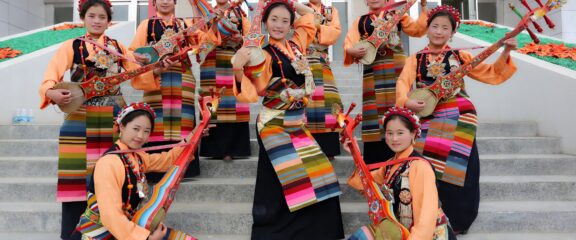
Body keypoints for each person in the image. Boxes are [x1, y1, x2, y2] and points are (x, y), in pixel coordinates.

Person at [395, 5, 517, 234]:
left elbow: (490, 72)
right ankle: (425, 215)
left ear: (452, 33)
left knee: (459, 165)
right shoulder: (415, 59)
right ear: (427, 29)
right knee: (422, 161)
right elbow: (403, 84)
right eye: (434, 26)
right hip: (427, 114)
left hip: (460, 115)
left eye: (444, 28)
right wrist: (406, 102)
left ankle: (458, 220)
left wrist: (506, 52)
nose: (439, 32)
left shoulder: (461, 56)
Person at [38, 1, 153, 238]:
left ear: (109, 21)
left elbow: (139, 74)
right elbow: (51, 75)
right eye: (92, 16)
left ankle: (112, 230)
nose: (97, 20)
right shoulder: (72, 45)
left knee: (113, 174)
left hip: (113, 118)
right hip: (79, 118)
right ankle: (74, 234)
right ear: (83, 18)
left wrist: (155, 66)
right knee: (76, 179)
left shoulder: (118, 47)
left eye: (102, 16)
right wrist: (51, 92)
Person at [232, 1, 344, 239]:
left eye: (285, 21)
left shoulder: (296, 44)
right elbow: (258, 90)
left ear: (292, 24)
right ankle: (272, 232)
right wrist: (238, 70)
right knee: (280, 179)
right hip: (273, 122)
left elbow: (311, 18)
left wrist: (292, 4)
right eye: (274, 19)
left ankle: (313, 231)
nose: (279, 25)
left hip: (296, 121)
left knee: (319, 173)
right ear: (264, 22)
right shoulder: (260, 52)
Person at [69, 102, 210, 240]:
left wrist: (195, 134)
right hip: (101, 233)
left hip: (128, 231)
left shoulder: (136, 156)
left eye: (146, 131)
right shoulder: (109, 163)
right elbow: (111, 217)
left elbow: (168, 159)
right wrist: (146, 237)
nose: (140, 136)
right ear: (122, 127)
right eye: (136, 129)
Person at [129, 0, 220, 179]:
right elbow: (133, 55)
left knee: (183, 124)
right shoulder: (146, 25)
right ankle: (154, 169)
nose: (165, 1)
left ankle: (185, 168)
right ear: (154, 2)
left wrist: (214, 24)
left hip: (182, 80)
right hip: (156, 80)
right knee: (155, 125)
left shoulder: (186, 24)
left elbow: (206, 45)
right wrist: (152, 66)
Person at [348, 107, 456, 240]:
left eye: (400, 133)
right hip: (400, 229)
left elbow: (425, 218)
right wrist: (354, 152)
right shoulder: (391, 164)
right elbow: (364, 183)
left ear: (413, 134)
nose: (394, 138)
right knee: (360, 236)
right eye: (389, 133)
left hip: (425, 235)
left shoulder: (420, 166)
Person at [344, 0, 428, 164]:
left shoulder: (397, 14)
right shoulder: (361, 21)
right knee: (373, 117)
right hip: (372, 72)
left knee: (400, 107)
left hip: (397, 69)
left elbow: (417, 29)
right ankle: (375, 165)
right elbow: (349, 43)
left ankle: (404, 159)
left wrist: (424, 7)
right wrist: (352, 50)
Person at [199, 0, 251, 161]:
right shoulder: (206, 14)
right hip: (212, 62)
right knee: (213, 104)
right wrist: (214, 28)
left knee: (237, 103)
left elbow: (251, 41)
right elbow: (199, 42)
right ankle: (214, 148)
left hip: (235, 60)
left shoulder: (240, 15)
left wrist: (240, 41)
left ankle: (235, 148)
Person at [303, 0, 343, 160]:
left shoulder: (330, 11)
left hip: (322, 60)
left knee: (329, 102)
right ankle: (306, 146)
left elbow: (335, 32)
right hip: (302, 61)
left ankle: (328, 147)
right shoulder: (300, 8)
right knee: (306, 102)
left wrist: (318, 26)